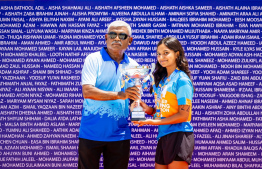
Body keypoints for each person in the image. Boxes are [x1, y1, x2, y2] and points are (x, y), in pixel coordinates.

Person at [78, 20, 139, 169]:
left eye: (122, 35)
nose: (116, 38)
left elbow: (133, 98)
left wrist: (138, 116)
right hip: (91, 133)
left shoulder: (134, 65)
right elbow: (88, 92)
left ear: (130, 41)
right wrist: (119, 95)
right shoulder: (93, 59)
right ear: (106, 37)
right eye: (113, 34)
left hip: (120, 134)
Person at [132, 37, 194, 169]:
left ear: (177, 54)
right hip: (163, 135)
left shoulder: (182, 80)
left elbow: (183, 115)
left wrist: (153, 122)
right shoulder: (163, 80)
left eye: (166, 53)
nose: (161, 57)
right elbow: (164, 111)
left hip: (179, 135)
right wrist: (148, 109)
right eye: (159, 54)